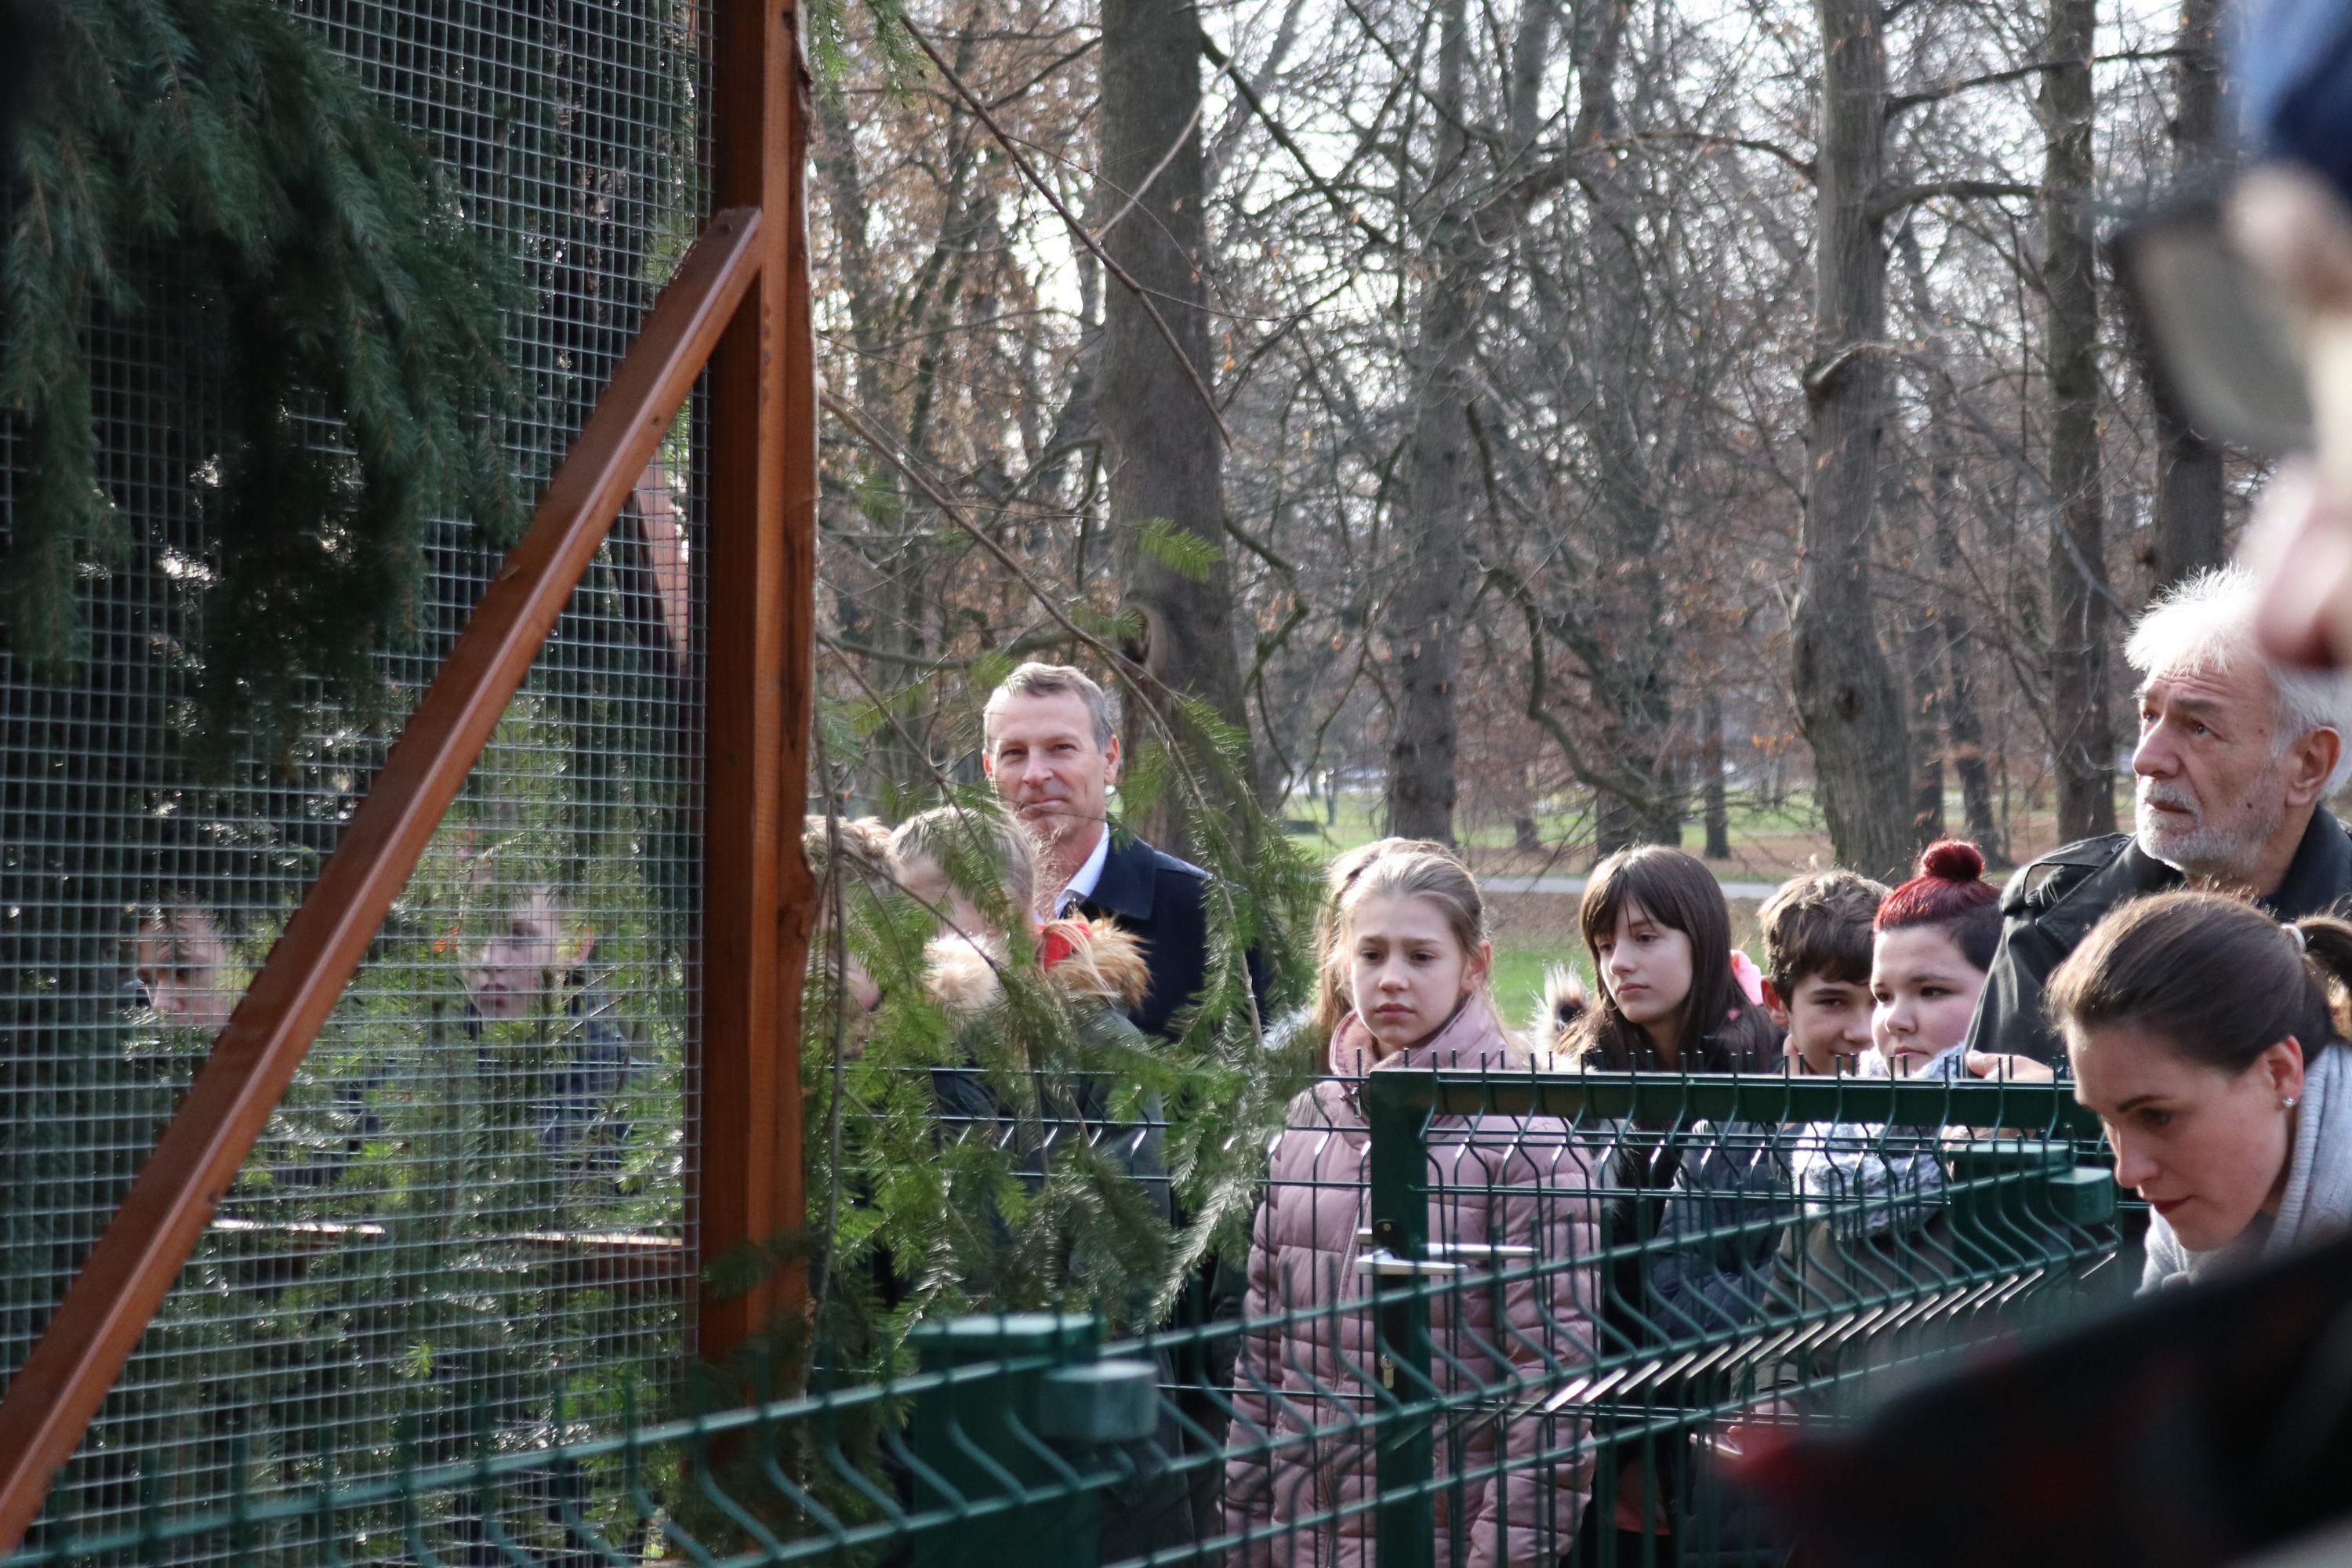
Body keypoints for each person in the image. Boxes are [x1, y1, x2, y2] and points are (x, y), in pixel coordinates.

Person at [1221, 845, 1594, 1567]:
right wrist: (1246, 1535)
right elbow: (1262, 1356)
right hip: (1305, 1541)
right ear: (1342, 963)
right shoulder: (1311, 1124)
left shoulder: (1528, 1144)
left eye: (1421, 956)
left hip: (1443, 1540)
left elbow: (1551, 1391)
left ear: (1475, 964)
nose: (1392, 978)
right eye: (1372, 954)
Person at [1967, 567, 2352, 1063]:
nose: (2147, 759)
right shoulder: (2060, 914)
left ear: (2308, 764)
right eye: (2150, 716)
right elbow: (1991, 1132)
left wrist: (2073, 1114)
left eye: (2198, 728)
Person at [2050, 891, 2352, 1293]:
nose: (2128, 1172)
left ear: (2279, 1073)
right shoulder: (2201, 1204)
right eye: (2108, 1119)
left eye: (2156, 1116)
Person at [981, 661, 1263, 1042]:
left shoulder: (1211, 918)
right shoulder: (943, 914)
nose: (1035, 774)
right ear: (988, 770)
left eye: (1060, 748)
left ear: (1110, 760)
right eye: (1013, 753)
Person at [1756, 869, 1889, 1078]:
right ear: (1776, 1002)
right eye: (1832, 1002)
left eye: (1883, 1000)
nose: (1863, 1033)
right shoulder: (1743, 1108)